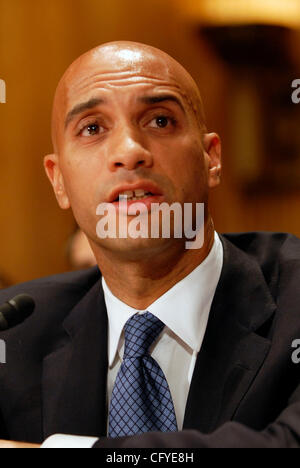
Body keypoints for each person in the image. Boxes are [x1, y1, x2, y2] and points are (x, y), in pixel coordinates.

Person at [0, 41, 299, 449]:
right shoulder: (14, 336)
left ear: (211, 157)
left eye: (160, 121)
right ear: (58, 181)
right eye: (92, 128)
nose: (129, 152)